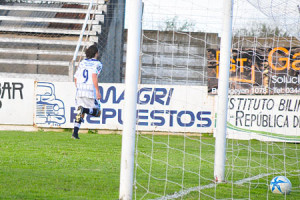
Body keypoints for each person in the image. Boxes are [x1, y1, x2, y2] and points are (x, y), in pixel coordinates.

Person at [72, 44, 102, 139]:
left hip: (80, 89)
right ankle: (84, 110)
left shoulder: (82, 62)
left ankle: (75, 133)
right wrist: (97, 91)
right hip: (90, 90)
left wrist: (79, 88)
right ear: (96, 53)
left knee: (80, 112)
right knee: (97, 112)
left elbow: (75, 77)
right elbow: (94, 75)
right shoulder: (98, 64)